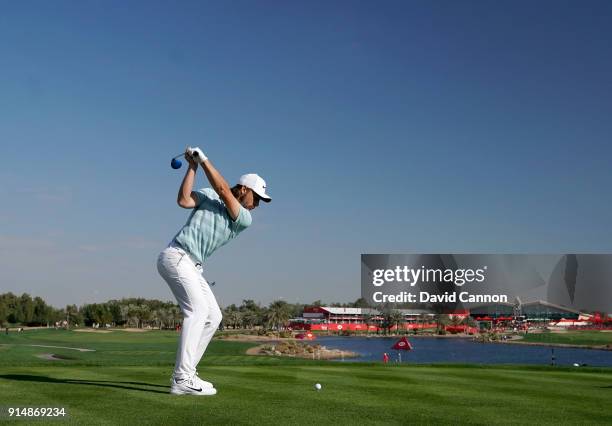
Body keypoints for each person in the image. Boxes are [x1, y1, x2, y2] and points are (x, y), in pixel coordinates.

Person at [157, 147, 271, 396]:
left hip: (192, 266)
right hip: (177, 256)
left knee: (213, 317)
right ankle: (182, 377)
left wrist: (204, 160)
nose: (257, 205)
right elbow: (184, 200)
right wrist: (193, 167)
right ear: (244, 190)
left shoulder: (243, 218)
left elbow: (222, 190)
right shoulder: (209, 195)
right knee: (197, 311)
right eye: (257, 198)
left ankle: (188, 372)